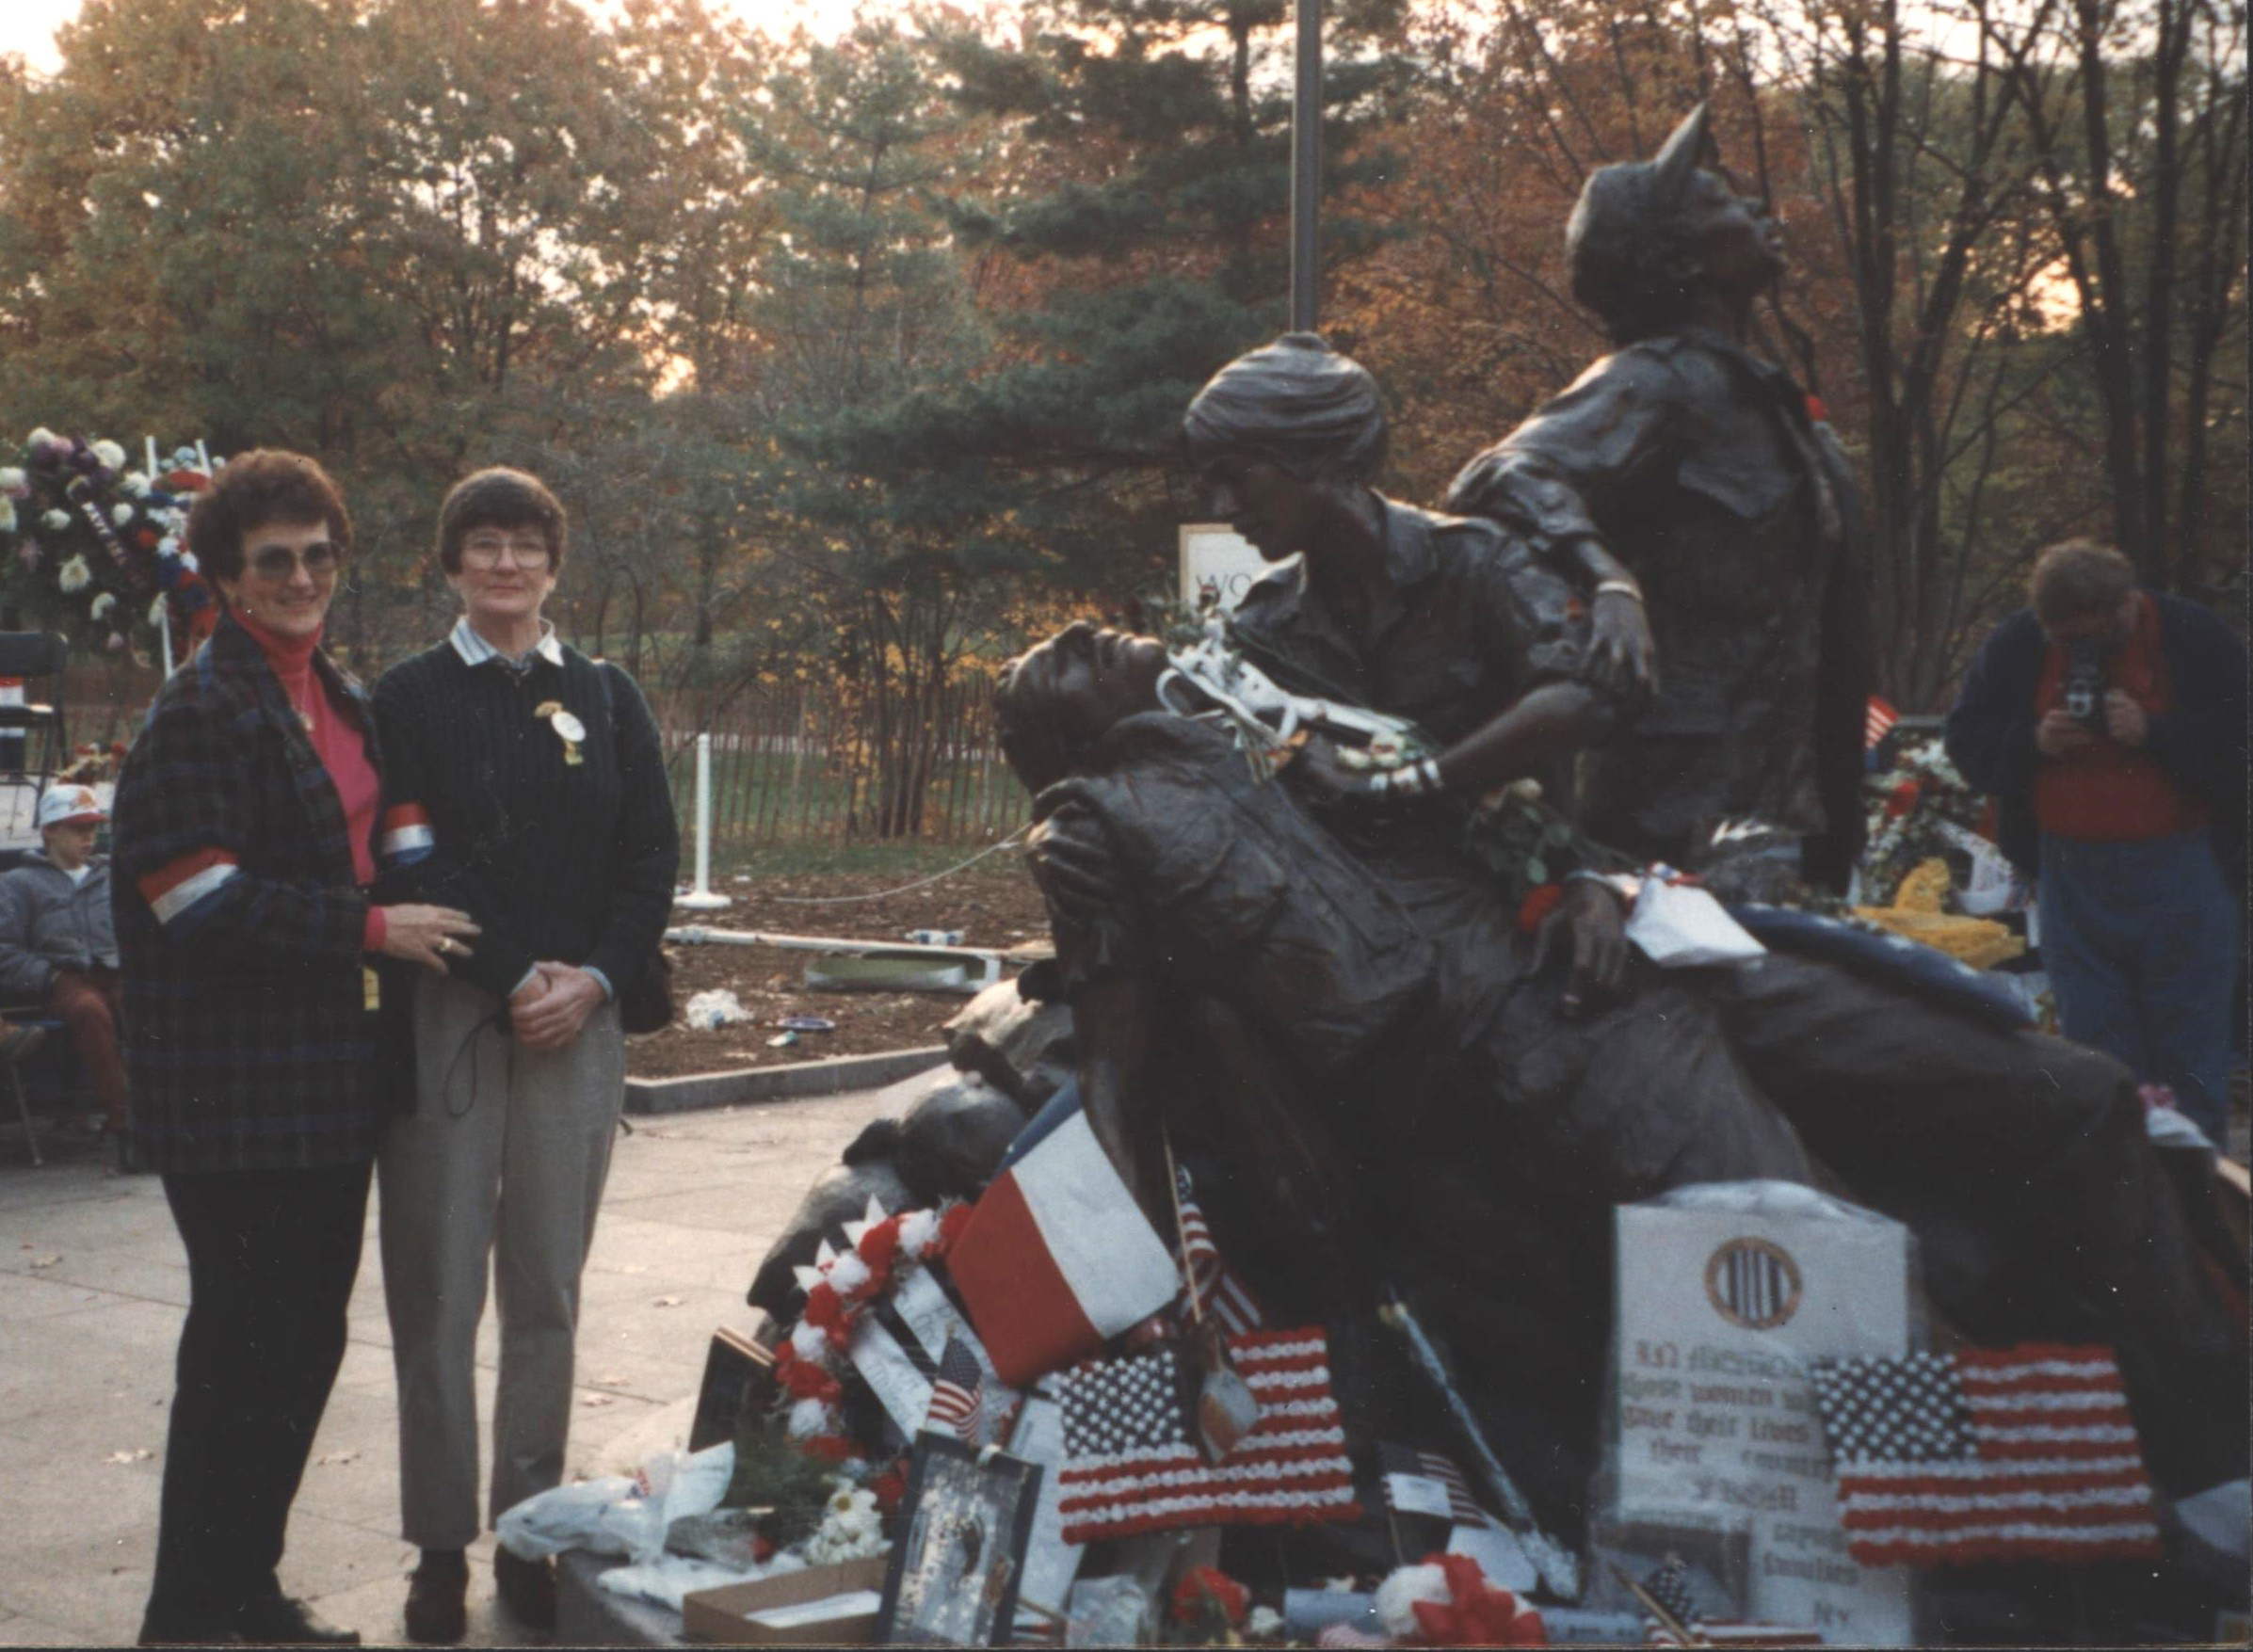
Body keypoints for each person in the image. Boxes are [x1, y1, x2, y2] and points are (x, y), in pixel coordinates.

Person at [995, 621, 2247, 1539]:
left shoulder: (1269, 710)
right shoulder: (1096, 819)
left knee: (2069, 1093)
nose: (1090, 630)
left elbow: (1490, 807)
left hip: (1665, 941)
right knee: (1831, 1267)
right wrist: (1148, 1297)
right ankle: (2117, 1533)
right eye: (1061, 658)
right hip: (1559, 1042)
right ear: (1061, 734)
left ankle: (2217, 1444)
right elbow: (1117, 1073)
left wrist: (1583, 878)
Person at [110, 450, 479, 1646]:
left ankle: (244, 1592)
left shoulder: (347, 699)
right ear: (224, 576)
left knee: (301, 1345)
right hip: (229, 1092)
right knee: (240, 1347)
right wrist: (373, 928)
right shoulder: (200, 709)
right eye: (275, 560)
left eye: (321, 554)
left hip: (329, 1085)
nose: (304, 577)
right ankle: (188, 1612)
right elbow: (197, 903)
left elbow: (406, 851)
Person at [372, 468, 680, 1644]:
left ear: (555, 564)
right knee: (438, 1289)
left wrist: (593, 976)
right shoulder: (406, 696)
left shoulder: (605, 695)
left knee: (545, 1288)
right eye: (482, 546)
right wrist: (508, 976)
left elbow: (648, 856)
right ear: (451, 564)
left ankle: (528, 1528)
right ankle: (440, 1545)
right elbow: (406, 855)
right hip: (454, 1012)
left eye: (525, 546)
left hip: (579, 1017)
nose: (505, 565)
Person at [1444, 104, 1869, 895]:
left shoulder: (1765, 404)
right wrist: (1603, 576)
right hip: (1673, 817)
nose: (1753, 209)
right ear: (1682, 259)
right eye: (1719, 203)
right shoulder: (1654, 382)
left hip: (1782, 808)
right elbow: (1496, 475)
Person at [1945, 540, 2247, 1145]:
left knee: (2189, 1051)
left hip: (2183, 873)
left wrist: (2155, 734)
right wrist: (2031, 741)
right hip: (2070, 877)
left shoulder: (2194, 636)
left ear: (2129, 606)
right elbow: (1967, 737)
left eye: (2095, 641)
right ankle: (2122, 1200)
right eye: (2067, 643)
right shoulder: (2019, 643)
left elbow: (2240, 744)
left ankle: (2197, 1205)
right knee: (2098, 1053)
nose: (2081, 655)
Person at [0, 783, 125, 1170]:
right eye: (77, 829)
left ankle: (170, 1115)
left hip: (115, 969)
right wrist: (48, 976)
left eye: (93, 828)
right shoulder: (19, 883)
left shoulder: (109, 876)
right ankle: (126, 1122)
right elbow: (4, 948)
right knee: (90, 1012)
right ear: (50, 830)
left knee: (147, 1005)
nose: (89, 838)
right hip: (63, 976)